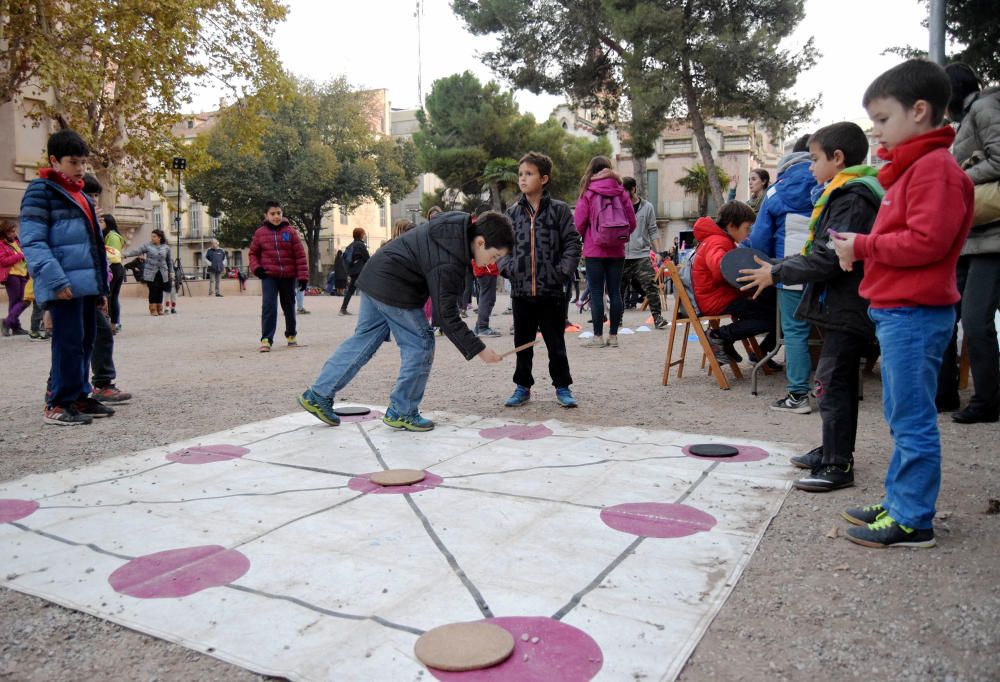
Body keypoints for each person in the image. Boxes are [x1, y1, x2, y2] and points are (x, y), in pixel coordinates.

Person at [831, 59, 975, 548]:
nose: (877, 133)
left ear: (919, 111)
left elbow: (926, 243)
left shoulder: (935, 171)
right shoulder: (916, 170)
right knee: (901, 412)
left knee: (911, 417)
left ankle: (913, 518)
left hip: (913, 312)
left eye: (883, 120)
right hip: (899, 310)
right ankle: (899, 500)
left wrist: (864, 247)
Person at [739, 121, 883, 492]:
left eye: (815, 159)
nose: (811, 168)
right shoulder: (839, 193)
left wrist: (778, 271)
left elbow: (829, 257)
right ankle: (833, 449)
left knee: (833, 381)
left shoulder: (851, 197)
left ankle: (837, 464)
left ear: (838, 158)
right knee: (837, 380)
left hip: (847, 302)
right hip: (837, 301)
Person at [298, 210, 513, 431]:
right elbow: (447, 316)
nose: (491, 263)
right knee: (421, 344)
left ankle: (318, 394)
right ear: (480, 242)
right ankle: (403, 410)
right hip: (394, 286)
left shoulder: (455, 226)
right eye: (495, 256)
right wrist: (479, 349)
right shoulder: (450, 258)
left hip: (375, 276)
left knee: (363, 340)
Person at [19, 129, 113, 425]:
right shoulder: (41, 191)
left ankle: (79, 396)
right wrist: (56, 281)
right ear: (55, 160)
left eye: (84, 162)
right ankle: (58, 403)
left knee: (86, 340)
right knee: (67, 343)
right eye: (74, 162)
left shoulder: (81, 194)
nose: (81, 168)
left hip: (86, 284)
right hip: (65, 284)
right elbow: (33, 241)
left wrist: (101, 289)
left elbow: (95, 243)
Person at [936, 63, 1000, 424]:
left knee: (976, 321)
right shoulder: (970, 116)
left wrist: (956, 177)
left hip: (991, 237)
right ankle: (945, 394)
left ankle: (988, 401)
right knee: (945, 315)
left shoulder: (986, 108)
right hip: (970, 237)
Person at [501, 152, 582, 408]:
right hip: (521, 292)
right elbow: (500, 246)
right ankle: (522, 386)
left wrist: (562, 272)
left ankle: (562, 387)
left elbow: (572, 242)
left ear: (544, 178)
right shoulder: (512, 213)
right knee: (522, 344)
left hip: (552, 292)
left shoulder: (559, 210)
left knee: (555, 343)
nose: (523, 179)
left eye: (529, 174)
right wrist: (509, 268)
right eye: (520, 174)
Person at [746, 144, 818, 413]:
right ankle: (832, 389)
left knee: (795, 333)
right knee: (830, 331)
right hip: (828, 267)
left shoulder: (776, 191)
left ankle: (798, 394)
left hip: (789, 271)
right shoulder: (830, 183)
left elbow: (760, 240)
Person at [691, 201, 777, 364]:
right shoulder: (718, 241)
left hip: (719, 296)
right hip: (718, 299)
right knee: (772, 316)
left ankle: (758, 351)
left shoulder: (717, 239)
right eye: (747, 228)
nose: (749, 233)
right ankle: (719, 335)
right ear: (732, 226)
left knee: (772, 310)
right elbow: (720, 267)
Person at [574, 155, 637, 348]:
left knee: (596, 291)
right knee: (615, 292)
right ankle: (614, 336)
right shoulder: (621, 191)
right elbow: (632, 223)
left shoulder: (588, 192)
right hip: (617, 250)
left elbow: (578, 223)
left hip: (594, 250)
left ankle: (598, 337)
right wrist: (617, 236)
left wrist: (591, 233)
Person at [80, 174, 132, 405]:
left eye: (94, 196)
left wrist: (101, 289)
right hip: (74, 287)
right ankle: (58, 389)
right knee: (72, 341)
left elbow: (100, 257)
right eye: (88, 195)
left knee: (100, 333)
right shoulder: (72, 218)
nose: (93, 200)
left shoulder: (95, 224)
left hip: (93, 285)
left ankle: (102, 383)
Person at [248, 200, 308, 352]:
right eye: (272, 214)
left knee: (289, 306)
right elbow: (253, 253)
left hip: (288, 275)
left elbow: (300, 256)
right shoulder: (260, 233)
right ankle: (266, 339)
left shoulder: (291, 232)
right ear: (266, 215)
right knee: (269, 306)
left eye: (279, 213)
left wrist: (303, 277)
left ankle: (291, 336)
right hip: (269, 275)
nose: (276, 217)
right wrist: (257, 268)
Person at [620, 176, 666, 330]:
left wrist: (658, 251)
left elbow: (653, 230)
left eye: (624, 191)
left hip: (641, 255)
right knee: (618, 290)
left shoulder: (647, 207)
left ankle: (658, 318)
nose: (621, 195)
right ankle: (616, 319)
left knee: (651, 286)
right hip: (621, 255)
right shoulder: (618, 206)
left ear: (633, 189)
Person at [122, 228, 173, 315]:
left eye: (154, 236)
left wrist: (171, 272)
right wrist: (125, 254)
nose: (152, 238)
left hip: (162, 272)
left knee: (160, 290)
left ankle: (159, 308)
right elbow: (137, 251)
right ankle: (153, 309)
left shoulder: (166, 247)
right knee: (153, 290)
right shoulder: (147, 246)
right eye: (152, 236)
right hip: (150, 271)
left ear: (159, 237)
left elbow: (169, 261)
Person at [0, 220, 30, 336]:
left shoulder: (17, 242)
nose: (14, 233)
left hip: (23, 274)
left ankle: (11, 324)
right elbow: (3, 261)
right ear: (5, 232)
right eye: (11, 231)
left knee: (23, 300)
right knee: (19, 301)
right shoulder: (1, 244)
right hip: (11, 275)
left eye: (14, 231)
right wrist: (20, 255)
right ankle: (12, 325)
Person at [102, 214, 126, 332]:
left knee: (110, 297)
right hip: (116, 268)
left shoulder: (112, 236)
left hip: (113, 268)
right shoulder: (113, 235)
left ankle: (113, 324)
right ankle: (114, 323)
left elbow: (111, 254)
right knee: (113, 297)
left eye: (102, 221)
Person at [339, 227, 370, 316]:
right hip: (361, 271)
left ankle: (343, 308)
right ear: (360, 235)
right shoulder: (360, 245)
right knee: (368, 290)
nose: (364, 236)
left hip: (353, 271)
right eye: (363, 234)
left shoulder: (351, 245)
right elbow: (367, 258)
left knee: (350, 290)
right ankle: (369, 310)